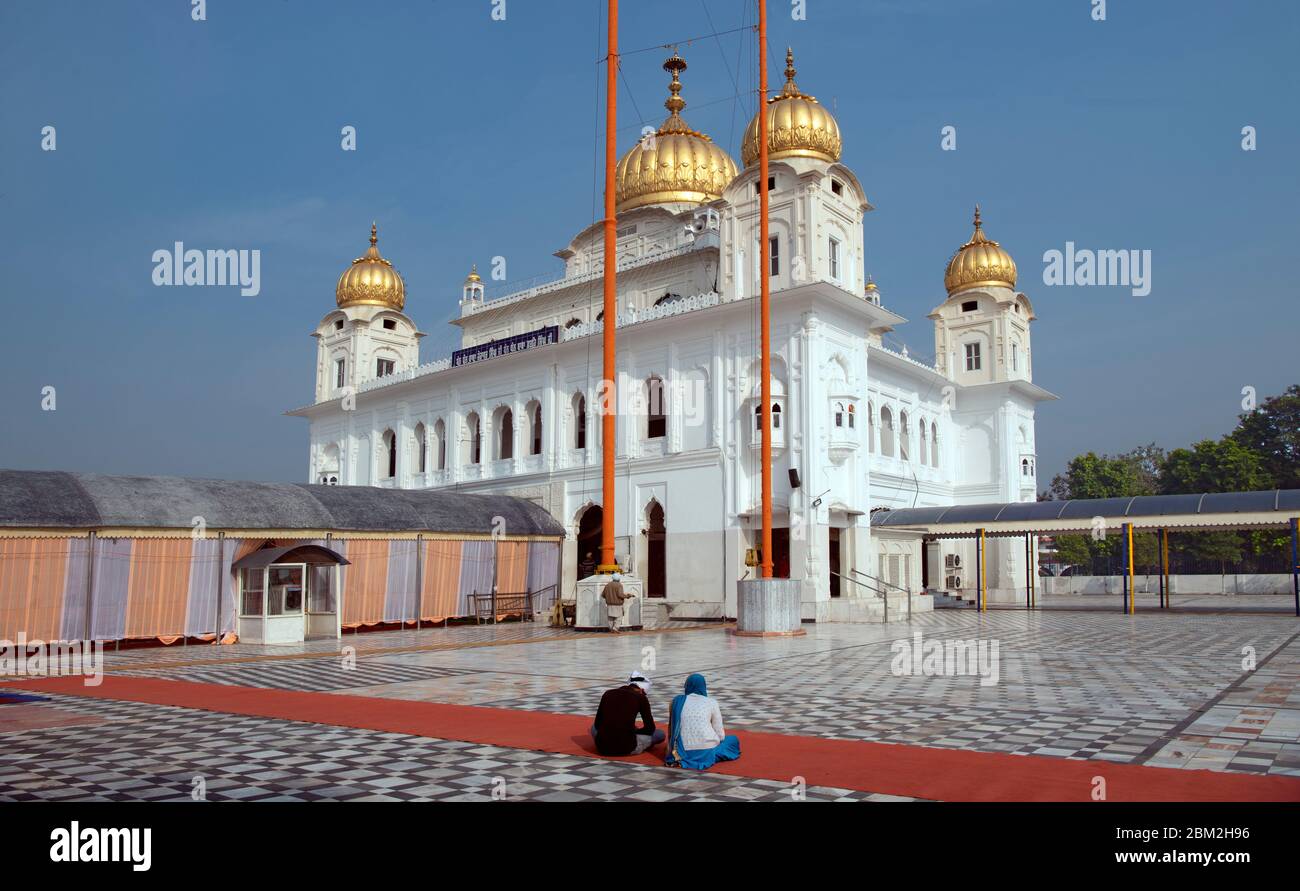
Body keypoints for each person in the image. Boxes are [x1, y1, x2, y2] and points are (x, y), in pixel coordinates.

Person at [665, 673, 741, 770]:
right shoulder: (712, 702)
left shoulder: (676, 701)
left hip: (680, 751)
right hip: (706, 750)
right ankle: (705, 756)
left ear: (687, 686)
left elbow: (671, 731)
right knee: (732, 740)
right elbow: (721, 735)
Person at [590, 670, 665, 756]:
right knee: (659, 734)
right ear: (641, 690)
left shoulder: (607, 693)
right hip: (627, 748)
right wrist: (635, 731)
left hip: (602, 747)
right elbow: (650, 729)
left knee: (593, 728)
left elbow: (597, 724)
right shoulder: (641, 698)